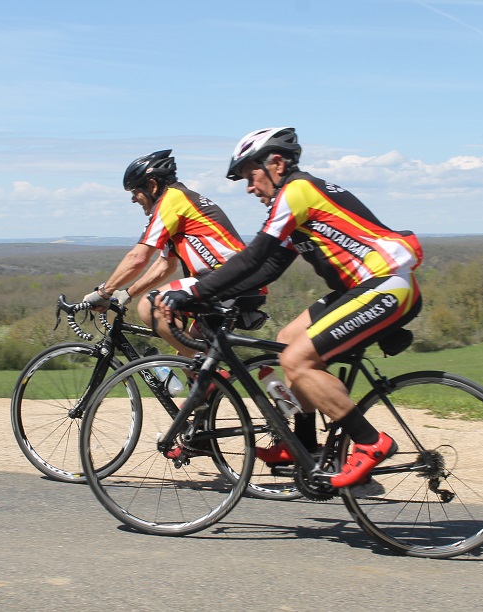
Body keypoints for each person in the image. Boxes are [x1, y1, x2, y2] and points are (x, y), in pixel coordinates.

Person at [158, 127, 423, 488]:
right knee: (287, 340)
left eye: (250, 176)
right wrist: (211, 296)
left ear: (276, 164)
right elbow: (269, 267)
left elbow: (255, 255)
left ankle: (369, 442)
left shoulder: (297, 191)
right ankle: (301, 442)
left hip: (385, 286)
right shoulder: (299, 206)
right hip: (365, 289)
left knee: (297, 360)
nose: (250, 188)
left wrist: (196, 291)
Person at [81, 149, 247, 356]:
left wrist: (103, 292)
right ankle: (215, 379)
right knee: (186, 359)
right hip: (233, 282)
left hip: (224, 279)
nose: (133, 200)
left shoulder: (171, 201)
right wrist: (126, 294)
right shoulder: (180, 201)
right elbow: (164, 266)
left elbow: (138, 257)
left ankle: (211, 370)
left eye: (135, 192)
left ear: (152, 185)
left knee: (151, 306)